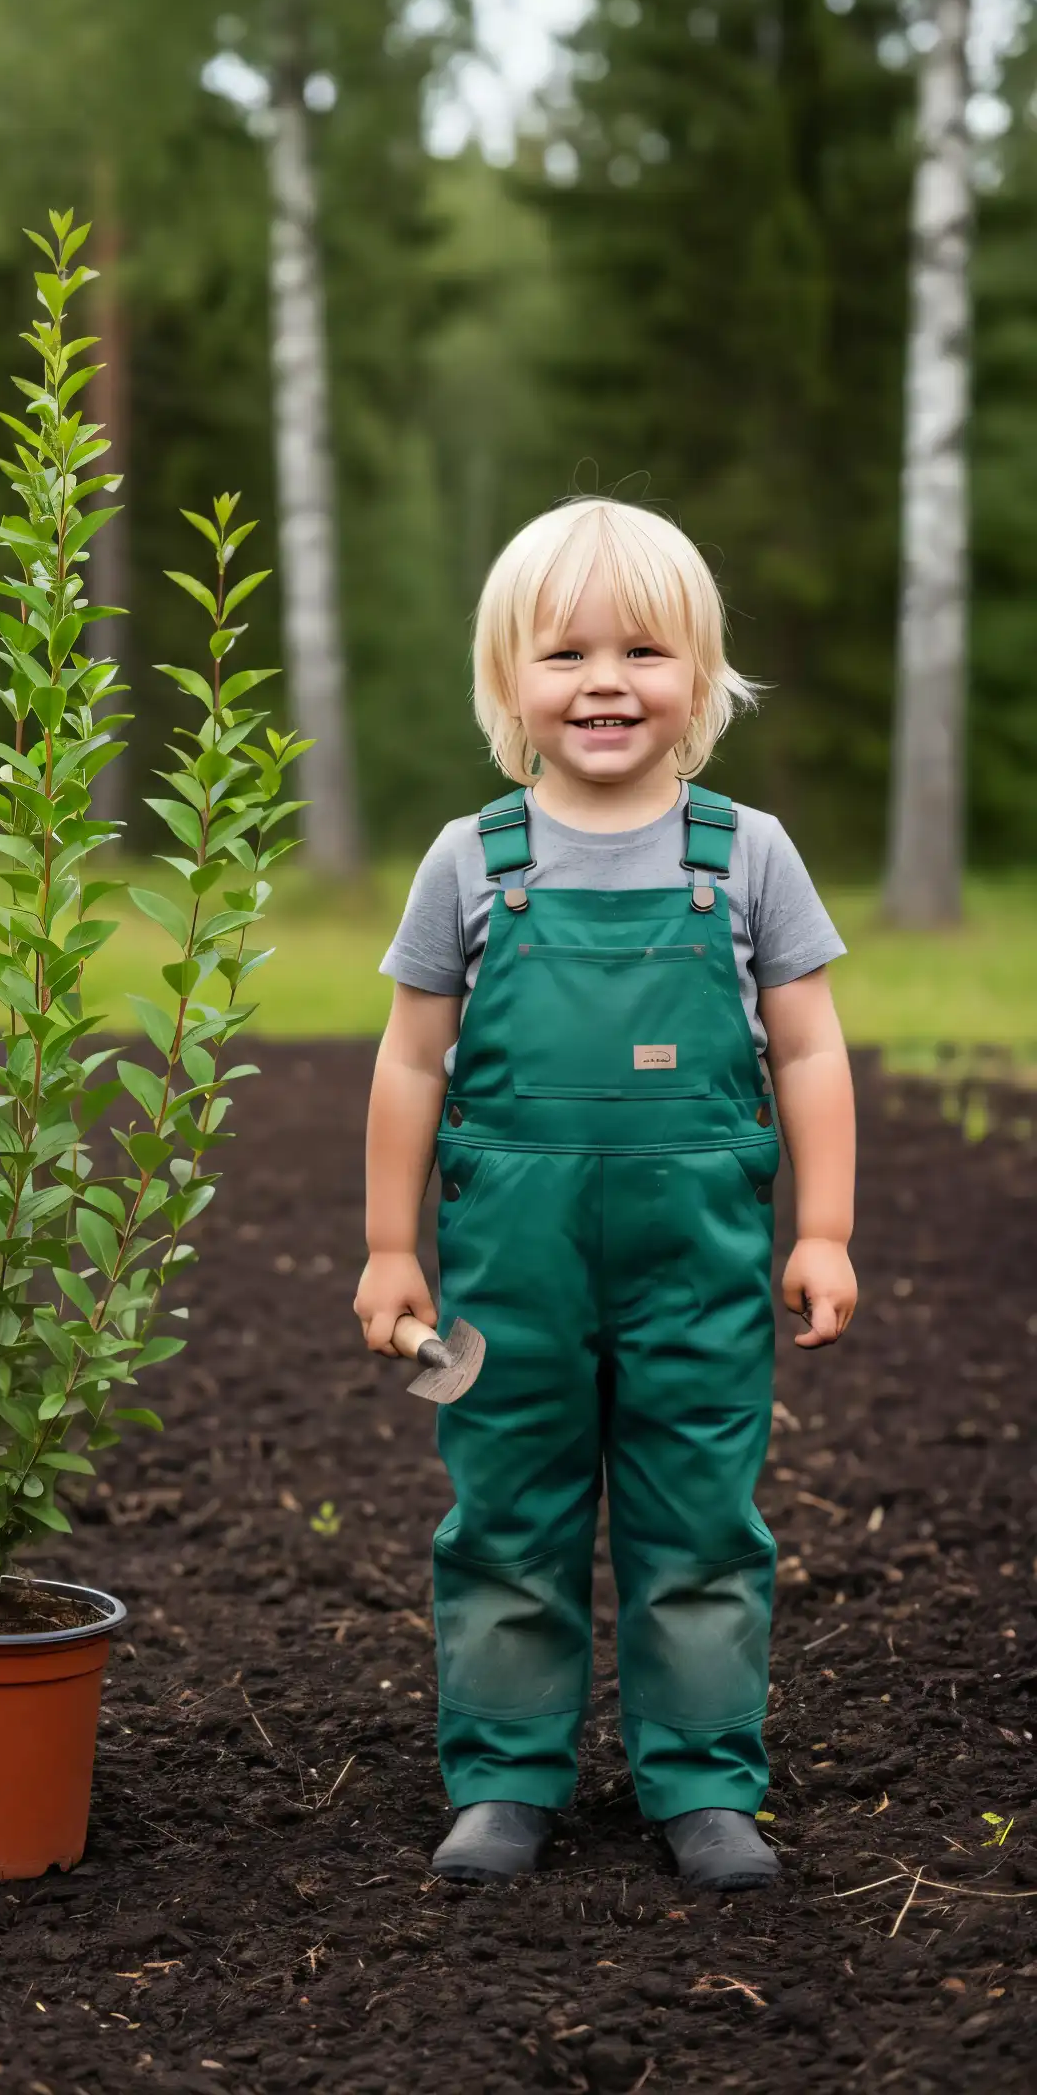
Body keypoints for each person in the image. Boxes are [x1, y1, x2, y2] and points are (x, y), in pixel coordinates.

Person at [357, 496, 856, 1892]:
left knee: (700, 1516)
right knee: (505, 1512)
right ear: (506, 680)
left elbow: (810, 1047)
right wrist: (392, 1251)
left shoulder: (744, 853)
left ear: (700, 676)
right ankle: (506, 1781)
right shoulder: (474, 860)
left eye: (643, 650)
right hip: (507, 1278)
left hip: (697, 1268)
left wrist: (822, 1229)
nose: (604, 683)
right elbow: (408, 1064)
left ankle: (701, 1784)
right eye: (564, 653)